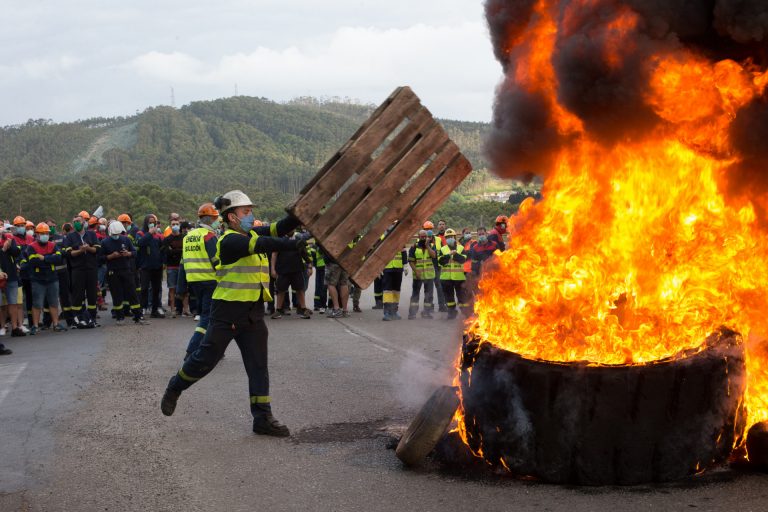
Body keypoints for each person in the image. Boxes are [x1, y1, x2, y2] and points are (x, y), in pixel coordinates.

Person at [161, 189, 307, 437]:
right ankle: (175, 386)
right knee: (204, 360)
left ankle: (262, 418)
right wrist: (295, 244)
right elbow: (263, 243)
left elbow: (278, 229)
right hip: (227, 311)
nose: (251, 216)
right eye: (246, 212)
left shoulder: (249, 232)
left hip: (253, 312)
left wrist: (298, 216)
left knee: (258, 365)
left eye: (251, 211)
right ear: (231, 217)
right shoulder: (229, 241)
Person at [182, 203, 220, 357]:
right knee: (207, 317)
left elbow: (184, 261)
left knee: (211, 316)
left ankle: (212, 347)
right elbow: (216, 261)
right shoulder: (208, 236)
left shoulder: (188, 236)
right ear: (210, 219)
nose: (218, 221)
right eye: (216, 218)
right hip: (209, 280)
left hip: (193, 281)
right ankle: (192, 350)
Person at [24, 223, 66, 334]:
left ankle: (56, 324)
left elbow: (59, 258)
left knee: (53, 303)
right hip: (38, 279)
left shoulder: (52, 245)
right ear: (37, 234)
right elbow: (33, 261)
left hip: (52, 278)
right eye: (42, 233)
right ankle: (35, 326)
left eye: (46, 233)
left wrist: (44, 258)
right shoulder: (31, 247)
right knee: (37, 304)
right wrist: (49, 259)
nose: (45, 235)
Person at [102, 221, 146, 325]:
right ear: (110, 232)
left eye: (118, 234)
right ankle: (120, 317)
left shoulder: (126, 239)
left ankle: (138, 316)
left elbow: (135, 253)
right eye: (114, 234)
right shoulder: (105, 242)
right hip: (113, 272)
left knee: (132, 294)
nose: (116, 236)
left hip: (126, 270)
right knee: (117, 296)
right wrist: (110, 256)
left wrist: (128, 253)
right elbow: (99, 259)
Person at [64, 214, 101, 328]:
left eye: (78, 221)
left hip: (91, 269)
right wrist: (81, 250)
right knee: (77, 296)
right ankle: (77, 319)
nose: (76, 223)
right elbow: (69, 254)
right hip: (77, 270)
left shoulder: (91, 234)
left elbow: (96, 249)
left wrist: (87, 248)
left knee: (92, 295)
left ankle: (92, 318)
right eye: (74, 221)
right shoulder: (70, 237)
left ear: (84, 222)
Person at [270, 231, 312, 319]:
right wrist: (273, 269)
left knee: (300, 290)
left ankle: (303, 309)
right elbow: (274, 255)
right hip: (282, 270)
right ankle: (278, 310)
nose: (290, 229)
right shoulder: (279, 239)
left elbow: (305, 254)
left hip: (297, 269)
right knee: (281, 290)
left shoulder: (298, 239)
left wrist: (309, 266)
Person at [138, 214, 165, 318]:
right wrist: (149, 233)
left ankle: (155, 310)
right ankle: (143, 308)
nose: (152, 224)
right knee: (144, 288)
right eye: (150, 222)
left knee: (156, 289)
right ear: (146, 223)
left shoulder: (158, 235)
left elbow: (162, 249)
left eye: (153, 222)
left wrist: (163, 262)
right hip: (145, 266)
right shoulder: (141, 233)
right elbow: (140, 243)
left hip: (157, 266)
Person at [438, 228, 469, 320]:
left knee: (462, 297)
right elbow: (440, 262)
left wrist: (455, 254)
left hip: (459, 278)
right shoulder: (443, 249)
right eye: (447, 237)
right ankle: (451, 312)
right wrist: (448, 255)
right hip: (446, 278)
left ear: (455, 237)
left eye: (451, 237)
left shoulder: (461, 248)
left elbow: (463, 260)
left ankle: (466, 312)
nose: (450, 238)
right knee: (449, 297)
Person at [408, 229, 436, 319]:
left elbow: (434, 256)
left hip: (429, 275)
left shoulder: (431, 246)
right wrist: (416, 271)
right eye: (422, 236)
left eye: (425, 236)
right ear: (418, 237)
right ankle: (412, 313)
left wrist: (427, 246)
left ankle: (426, 312)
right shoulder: (414, 247)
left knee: (429, 295)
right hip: (418, 275)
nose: (423, 238)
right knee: (415, 294)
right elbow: (411, 261)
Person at [0, 230, 23, 336]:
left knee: (13, 303)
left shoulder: (9, 238)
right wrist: (3, 249)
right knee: (2, 305)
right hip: (1, 277)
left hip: (11, 276)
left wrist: (8, 244)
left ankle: (14, 328)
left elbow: (17, 252)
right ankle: (2, 326)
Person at [162, 217, 184, 317]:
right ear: (170, 226)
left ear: (179, 225)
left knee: (184, 289)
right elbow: (167, 252)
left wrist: (173, 250)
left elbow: (184, 251)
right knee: (172, 288)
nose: (175, 226)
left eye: (176, 224)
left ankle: (185, 309)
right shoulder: (167, 239)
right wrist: (179, 250)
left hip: (182, 266)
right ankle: (172, 310)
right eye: (173, 224)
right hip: (171, 267)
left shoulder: (184, 237)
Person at [382, 242, 408, 321]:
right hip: (387, 268)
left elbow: (403, 252)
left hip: (398, 268)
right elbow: (378, 254)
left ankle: (393, 311)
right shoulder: (383, 238)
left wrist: (405, 265)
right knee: (387, 291)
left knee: (396, 291)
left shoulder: (400, 238)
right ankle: (387, 312)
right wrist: (379, 267)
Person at [310, 239, 327, 314]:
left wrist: (314, 264)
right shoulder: (326, 241)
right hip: (324, 266)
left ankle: (317, 304)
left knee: (318, 285)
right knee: (324, 287)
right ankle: (323, 305)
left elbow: (312, 253)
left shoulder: (315, 241)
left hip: (319, 266)